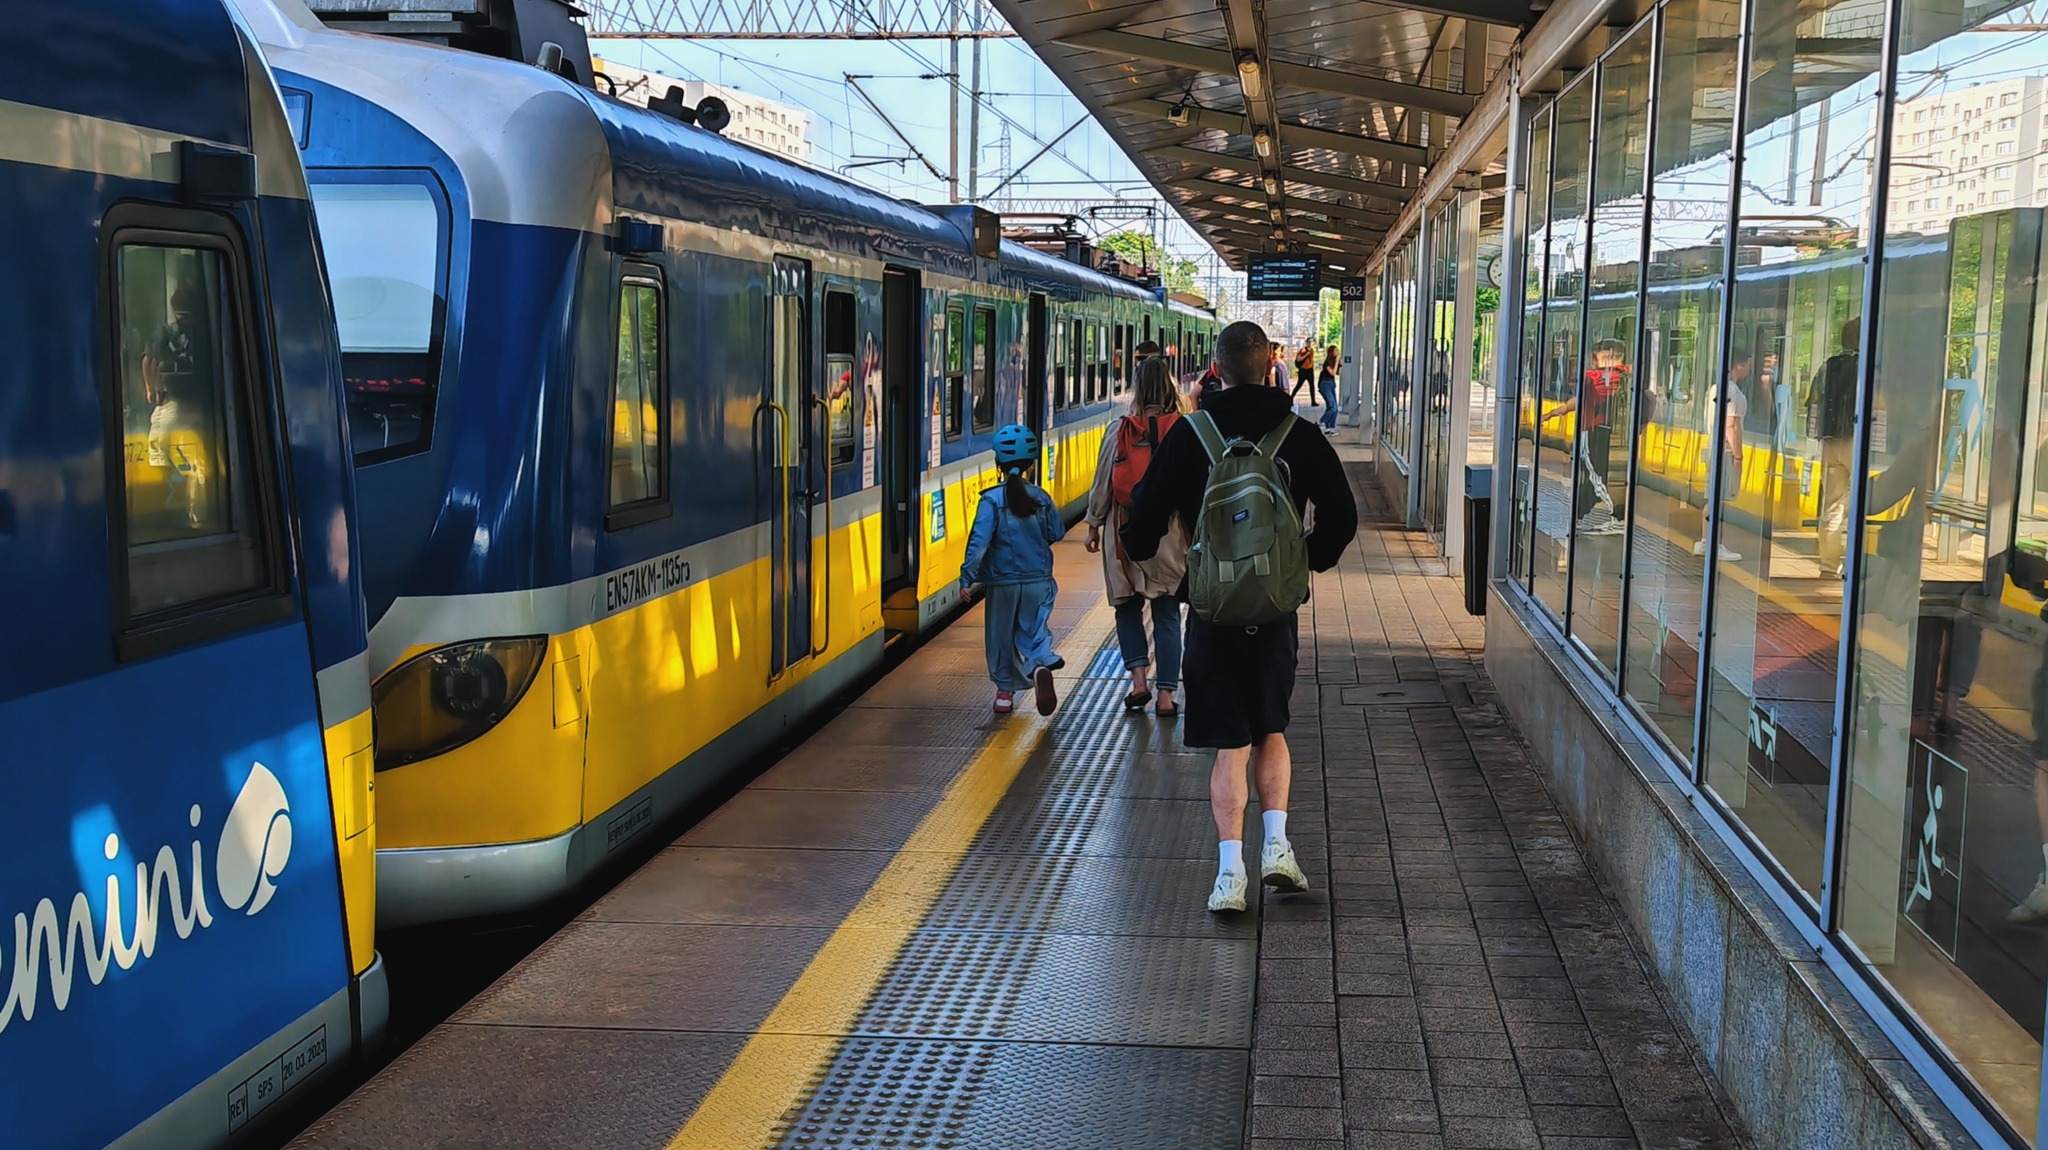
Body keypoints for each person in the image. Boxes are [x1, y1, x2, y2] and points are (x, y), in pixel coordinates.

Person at [1122, 320, 1358, 913]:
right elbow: (1343, 515)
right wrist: (1306, 561)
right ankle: (1277, 846)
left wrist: (1153, 554)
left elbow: (1142, 521)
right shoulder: (1299, 435)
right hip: (1275, 610)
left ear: (1218, 370)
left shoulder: (1191, 434)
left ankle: (1231, 876)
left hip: (1213, 612)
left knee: (1229, 743)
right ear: (1269, 367)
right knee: (1270, 729)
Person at [1086, 358, 1189, 716]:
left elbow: (1103, 483)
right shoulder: (1185, 429)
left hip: (1123, 532)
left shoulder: (1119, 430)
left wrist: (1093, 524)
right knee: (1167, 613)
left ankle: (1139, 683)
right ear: (1171, 388)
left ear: (1137, 390)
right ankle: (1166, 697)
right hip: (1170, 535)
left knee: (1127, 608)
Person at [960, 424, 1065, 716]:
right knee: (1034, 630)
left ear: (998, 464)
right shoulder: (1041, 497)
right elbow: (1056, 532)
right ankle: (1040, 665)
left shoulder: (991, 500)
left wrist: (967, 577)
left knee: (1000, 637)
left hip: (1003, 582)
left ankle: (1004, 695)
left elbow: (979, 542)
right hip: (1038, 580)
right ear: (1031, 464)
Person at [1542, 339, 1628, 536]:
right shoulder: (1626, 377)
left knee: (1594, 475)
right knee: (1593, 476)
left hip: (1592, 432)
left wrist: (1552, 414)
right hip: (1614, 434)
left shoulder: (1591, 377)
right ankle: (1580, 516)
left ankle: (1617, 518)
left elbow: (1576, 402)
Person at [1806, 318, 1860, 578]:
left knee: (1831, 504)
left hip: (1829, 442)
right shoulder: (1866, 368)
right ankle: (1856, 562)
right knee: (1864, 496)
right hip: (1855, 441)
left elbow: (1813, 402)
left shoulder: (1828, 366)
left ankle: (1829, 564)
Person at [1693, 350, 1750, 563]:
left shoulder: (1716, 387)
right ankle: (1712, 544)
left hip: (1712, 446)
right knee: (1717, 499)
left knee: (1713, 497)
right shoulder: (1732, 391)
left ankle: (1705, 542)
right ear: (1738, 366)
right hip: (1725, 450)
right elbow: (1731, 425)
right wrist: (1738, 456)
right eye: (1748, 364)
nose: (1750, 369)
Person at [1317, 345, 1340, 433]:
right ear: (1331, 352)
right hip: (1325, 384)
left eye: (1337, 351)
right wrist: (1337, 362)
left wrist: (1339, 365)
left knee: (1335, 408)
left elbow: (1337, 373)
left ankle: (1329, 428)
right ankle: (1321, 421)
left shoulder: (1334, 362)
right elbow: (1332, 373)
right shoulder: (1327, 362)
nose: (1336, 353)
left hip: (1331, 384)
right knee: (1332, 406)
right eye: (1335, 351)